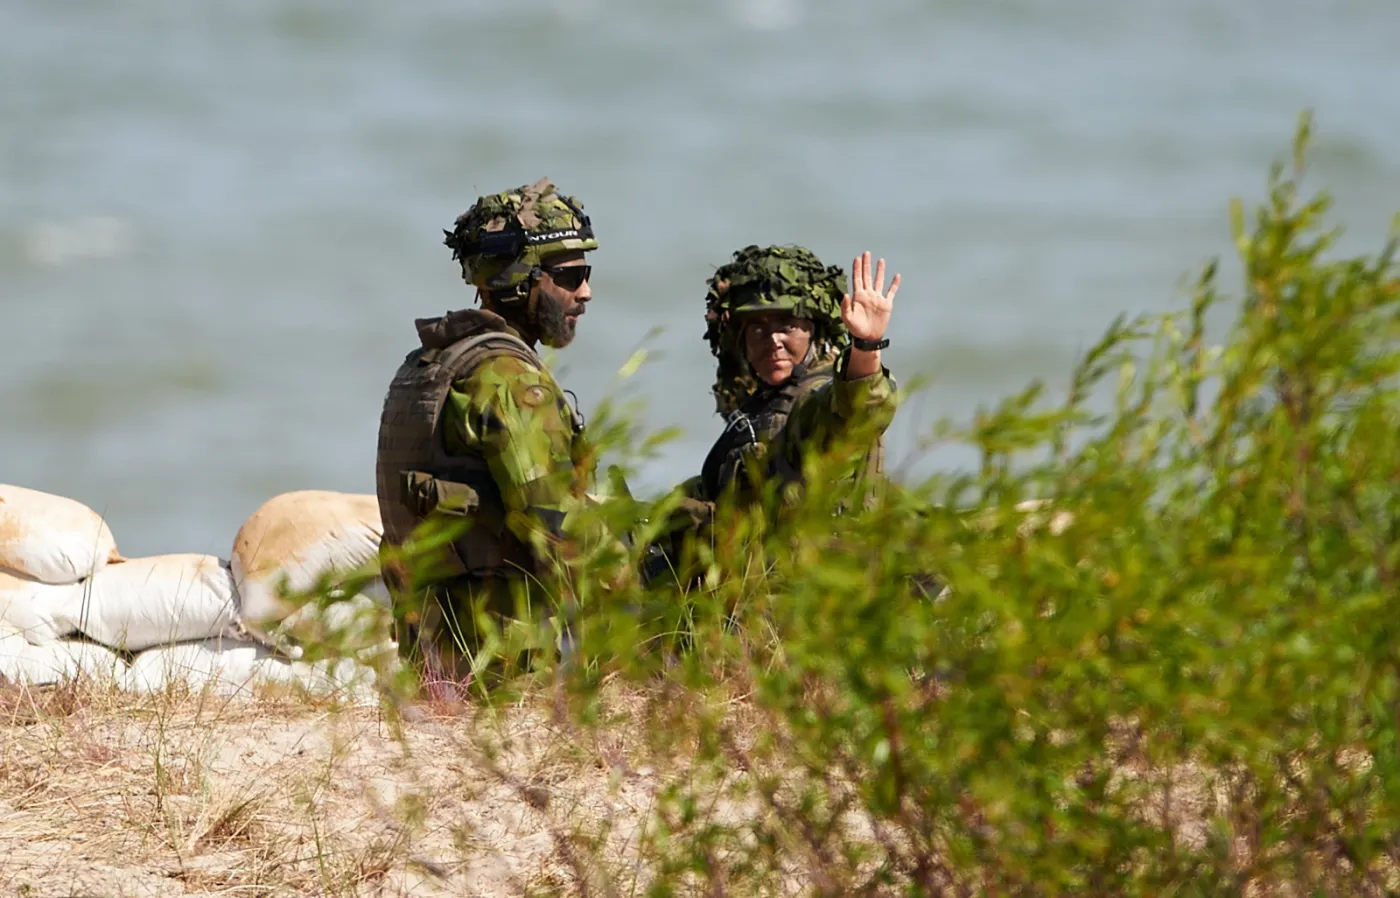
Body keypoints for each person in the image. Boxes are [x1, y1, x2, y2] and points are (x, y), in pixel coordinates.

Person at [375, 177, 606, 679]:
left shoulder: (428, 363)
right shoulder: (507, 380)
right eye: (570, 275)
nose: (585, 291)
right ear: (522, 280)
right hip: (504, 662)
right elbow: (559, 532)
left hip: (433, 653)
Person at [647, 244, 900, 581]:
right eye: (757, 329)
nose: (773, 340)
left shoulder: (815, 396)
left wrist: (865, 346)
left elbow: (859, 409)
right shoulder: (763, 403)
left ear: (814, 329)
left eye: (787, 325)